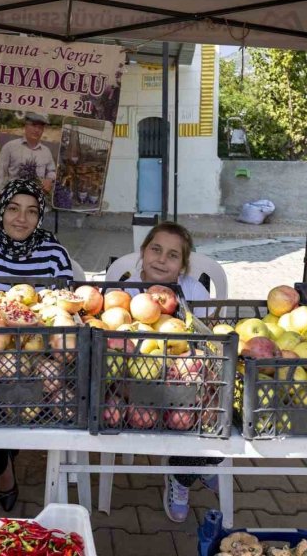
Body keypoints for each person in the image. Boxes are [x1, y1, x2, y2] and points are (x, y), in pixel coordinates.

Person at [0, 178, 74, 511]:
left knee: (35, 383)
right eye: (13, 209)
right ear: (1, 211)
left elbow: (60, 306)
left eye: (31, 211)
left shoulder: (55, 254)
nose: (21, 219)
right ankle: (4, 466)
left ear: (40, 216)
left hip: (40, 349)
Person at [130, 221, 221, 523]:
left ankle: (183, 472)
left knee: (218, 414)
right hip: (138, 380)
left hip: (186, 376)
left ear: (183, 265)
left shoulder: (193, 291)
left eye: (172, 255)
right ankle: (196, 465)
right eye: (155, 249)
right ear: (142, 252)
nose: (161, 259)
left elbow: (207, 340)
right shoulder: (124, 292)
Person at [0, 112, 56, 197]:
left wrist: (49, 179)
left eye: (40, 127)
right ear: (25, 126)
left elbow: (51, 171)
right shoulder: (10, 146)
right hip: (13, 197)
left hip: (37, 198)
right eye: (34, 125)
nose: (37, 130)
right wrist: (1, 193)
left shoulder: (46, 151)